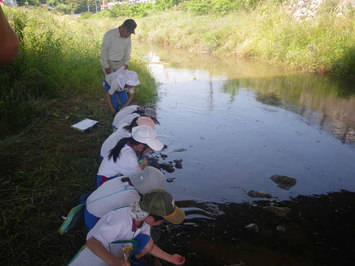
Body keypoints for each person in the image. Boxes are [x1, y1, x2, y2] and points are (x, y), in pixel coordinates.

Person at [69, 189, 185, 266]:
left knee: (147, 242)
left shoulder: (142, 217)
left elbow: (149, 245)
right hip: (98, 253)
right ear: (151, 218)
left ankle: (128, 260)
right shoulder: (120, 222)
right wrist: (113, 261)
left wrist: (170, 258)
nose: (161, 223)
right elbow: (92, 242)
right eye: (162, 221)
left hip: (115, 246)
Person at [84, 166, 165, 230]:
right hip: (93, 220)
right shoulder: (133, 198)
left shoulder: (122, 179)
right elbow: (136, 221)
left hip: (88, 203)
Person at [97, 125, 163, 186]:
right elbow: (138, 178)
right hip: (105, 182)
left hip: (109, 174)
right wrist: (143, 169)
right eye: (150, 149)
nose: (150, 151)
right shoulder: (129, 157)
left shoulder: (127, 143)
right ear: (140, 146)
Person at [101, 19, 137, 114]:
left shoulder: (128, 37)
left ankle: (123, 107)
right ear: (123, 27)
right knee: (112, 84)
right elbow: (103, 52)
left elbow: (128, 51)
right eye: (128, 32)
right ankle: (113, 107)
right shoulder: (110, 35)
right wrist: (106, 66)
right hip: (109, 63)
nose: (128, 35)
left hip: (120, 63)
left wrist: (126, 63)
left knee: (122, 83)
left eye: (130, 33)